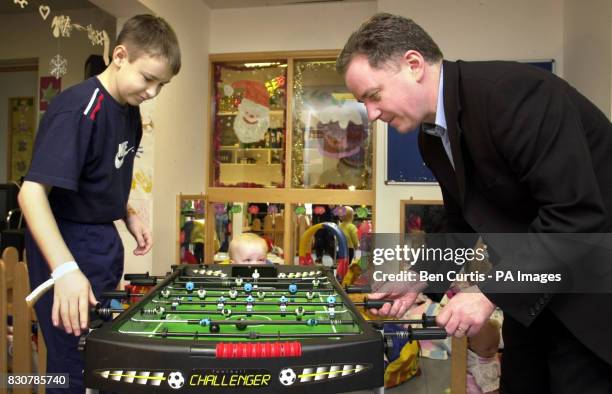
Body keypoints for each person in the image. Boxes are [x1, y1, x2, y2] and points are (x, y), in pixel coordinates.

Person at [337, 13, 612, 394]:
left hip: (591, 301)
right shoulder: (431, 138)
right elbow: (462, 223)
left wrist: (486, 293)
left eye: (373, 95)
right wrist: (420, 277)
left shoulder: (514, 95)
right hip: (532, 298)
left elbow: (576, 218)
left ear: (413, 65)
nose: (371, 114)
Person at [19, 14, 180, 393]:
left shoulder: (130, 111)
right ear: (120, 56)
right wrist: (65, 271)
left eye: (163, 84)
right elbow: (31, 193)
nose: (153, 92)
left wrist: (127, 214)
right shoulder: (78, 108)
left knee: (100, 361)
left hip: (100, 244)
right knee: (74, 366)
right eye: (148, 79)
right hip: (65, 246)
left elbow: (99, 175)